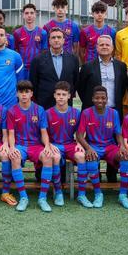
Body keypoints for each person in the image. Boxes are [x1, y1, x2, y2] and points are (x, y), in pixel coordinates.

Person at [7, 80, 57, 212]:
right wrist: (12, 147)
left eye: (27, 92)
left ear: (31, 94)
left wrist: (46, 145)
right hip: (20, 145)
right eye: (21, 92)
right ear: (17, 94)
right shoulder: (12, 111)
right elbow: (11, 134)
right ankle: (24, 197)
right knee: (15, 157)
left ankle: (42, 198)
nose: (24, 95)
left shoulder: (39, 110)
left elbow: (44, 132)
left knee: (48, 157)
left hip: (35, 145)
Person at [75, 86, 124, 208]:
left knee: (125, 157)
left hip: (109, 146)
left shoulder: (114, 113)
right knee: (91, 158)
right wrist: (88, 148)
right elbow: (79, 135)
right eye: (97, 98)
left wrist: (122, 146)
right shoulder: (86, 113)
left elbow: (118, 134)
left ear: (107, 99)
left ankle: (123, 195)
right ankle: (98, 194)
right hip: (93, 146)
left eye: (103, 98)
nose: (100, 100)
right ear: (92, 99)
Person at [45, 81, 85, 210]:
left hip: (69, 144)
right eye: (58, 94)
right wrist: (49, 144)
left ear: (69, 96)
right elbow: (43, 133)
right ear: (54, 96)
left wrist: (79, 143)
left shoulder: (76, 113)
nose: (61, 97)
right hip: (54, 145)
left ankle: (82, 194)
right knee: (55, 157)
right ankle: (58, 192)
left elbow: (80, 133)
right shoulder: (47, 113)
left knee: (80, 156)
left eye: (64, 94)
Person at [29, 27, 80, 110]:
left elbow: (76, 81)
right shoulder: (38, 60)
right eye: (53, 37)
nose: (56, 40)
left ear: (64, 40)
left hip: (66, 104)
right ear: (49, 40)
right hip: (44, 104)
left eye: (59, 37)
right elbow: (34, 83)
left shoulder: (73, 59)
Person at [13, 3, 47, 80]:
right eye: (26, 13)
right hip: (22, 69)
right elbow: (15, 51)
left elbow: (44, 52)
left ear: (35, 15)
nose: (29, 15)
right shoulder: (17, 33)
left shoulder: (43, 33)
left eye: (32, 13)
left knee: (36, 91)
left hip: (37, 69)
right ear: (23, 15)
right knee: (22, 91)